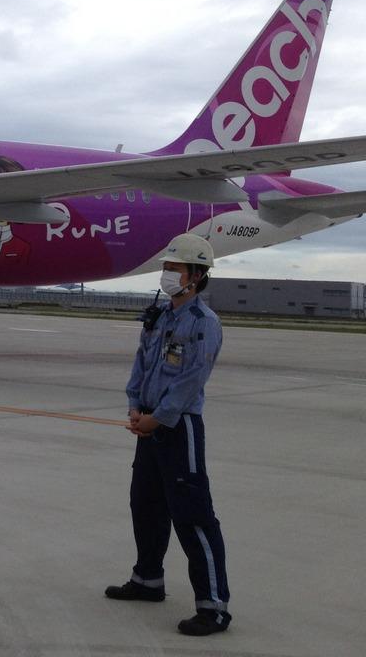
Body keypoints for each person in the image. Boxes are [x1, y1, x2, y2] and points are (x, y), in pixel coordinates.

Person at [105, 233, 231, 637]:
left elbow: (193, 379)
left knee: (193, 515)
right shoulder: (158, 317)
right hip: (148, 425)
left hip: (179, 429)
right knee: (145, 505)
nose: (167, 275)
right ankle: (148, 580)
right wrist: (135, 405)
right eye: (166, 268)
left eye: (175, 269)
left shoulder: (203, 323)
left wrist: (158, 418)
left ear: (196, 275)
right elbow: (141, 364)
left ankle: (213, 607)